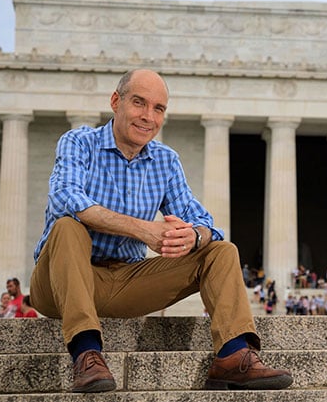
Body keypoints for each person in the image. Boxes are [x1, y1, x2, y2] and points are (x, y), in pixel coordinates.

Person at [28, 69, 292, 393]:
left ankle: (232, 356)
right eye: (139, 103)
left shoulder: (165, 161)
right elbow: (67, 199)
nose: (148, 117)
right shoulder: (79, 142)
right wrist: (143, 230)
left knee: (221, 251)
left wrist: (194, 236)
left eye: (158, 108)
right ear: (116, 101)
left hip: (124, 281)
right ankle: (86, 354)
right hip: (59, 282)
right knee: (68, 227)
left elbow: (206, 223)